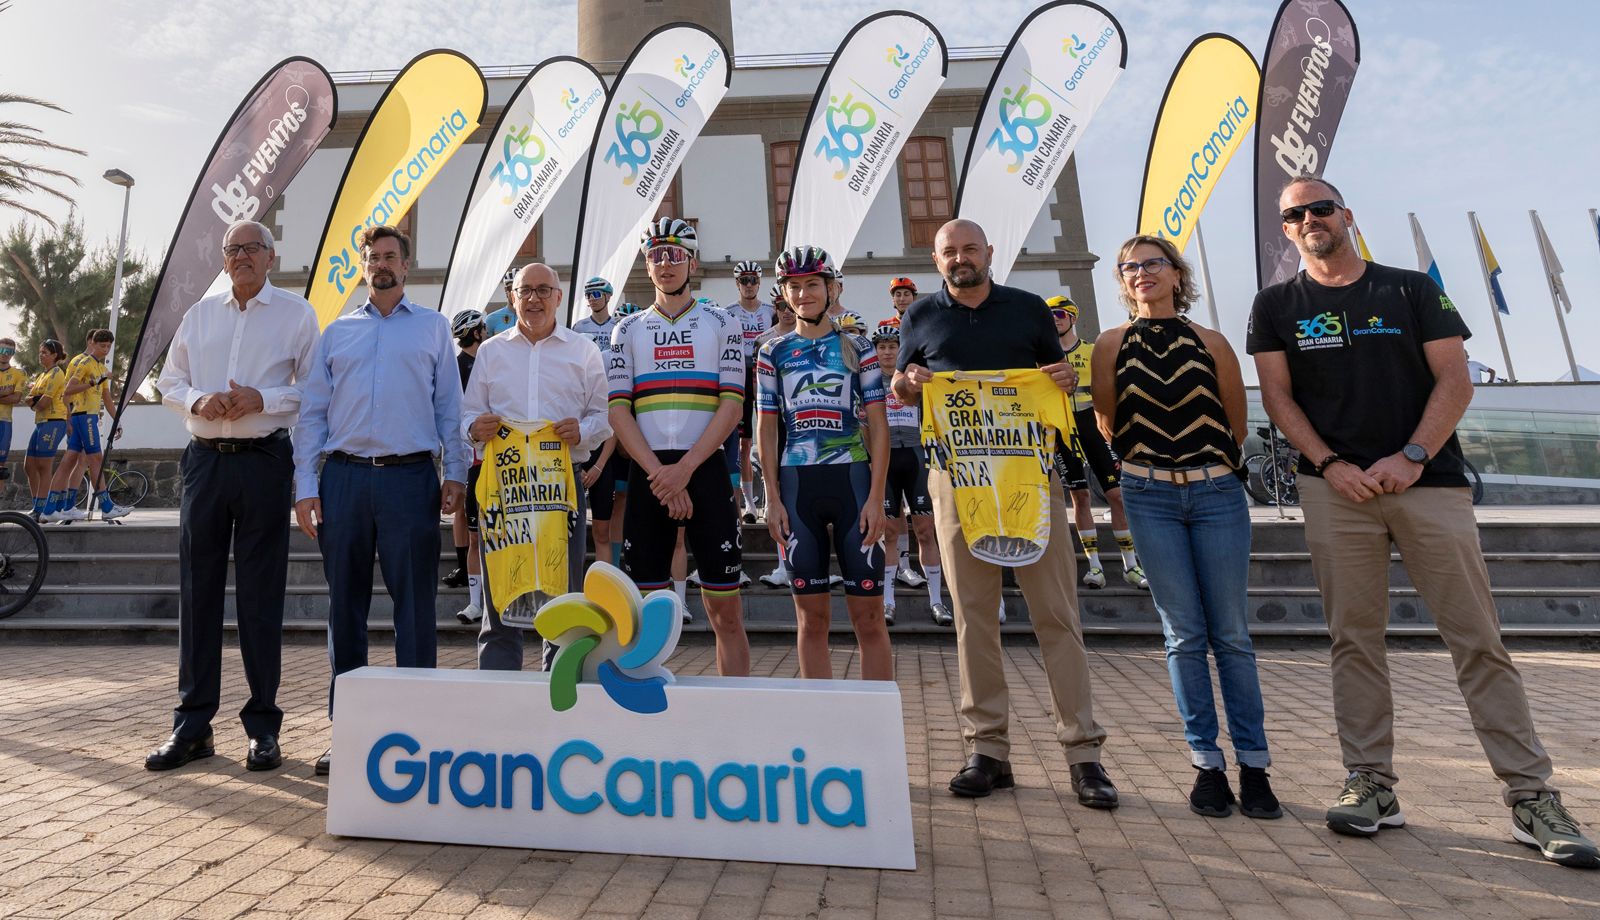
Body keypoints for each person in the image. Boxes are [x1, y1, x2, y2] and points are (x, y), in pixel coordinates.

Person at [1249, 176, 1596, 867]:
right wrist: (1329, 464)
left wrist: (1411, 457)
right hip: (1335, 492)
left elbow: (1455, 378)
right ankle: (1372, 784)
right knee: (1354, 641)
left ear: (1345, 215)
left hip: (1426, 484)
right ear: (1286, 230)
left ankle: (1531, 797)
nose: (1311, 219)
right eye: (1296, 214)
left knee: (1477, 640)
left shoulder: (1409, 289)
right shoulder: (1275, 304)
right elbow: (1278, 397)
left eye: (1321, 208)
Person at [893, 218, 1117, 807]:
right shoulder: (919, 315)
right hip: (955, 478)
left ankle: (1084, 754)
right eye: (949, 252)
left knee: (1056, 613)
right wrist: (909, 382)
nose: (960, 259)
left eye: (970, 249)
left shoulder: (1026, 309)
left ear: (989, 252)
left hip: (1028, 473)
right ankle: (987, 749)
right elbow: (901, 384)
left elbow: (1058, 379)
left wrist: (1066, 378)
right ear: (936, 259)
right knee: (973, 616)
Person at [1091, 235, 1279, 820]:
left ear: (1176, 274)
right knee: (1182, 635)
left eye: (1152, 264)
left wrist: (1209, 469)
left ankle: (1254, 765)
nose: (1141, 273)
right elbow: (1107, 421)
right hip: (1148, 496)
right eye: (1130, 268)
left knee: (1231, 635)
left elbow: (1234, 418)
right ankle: (1207, 765)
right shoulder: (1110, 344)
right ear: (1122, 282)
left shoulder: (1212, 341)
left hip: (1217, 491)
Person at [293, 224, 469, 777]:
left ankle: (416, 730)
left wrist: (457, 472)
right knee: (344, 608)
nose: (382, 264)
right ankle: (348, 732)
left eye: (391, 255)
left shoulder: (434, 329)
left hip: (409, 479)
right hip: (343, 481)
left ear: (406, 264)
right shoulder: (335, 333)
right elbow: (312, 414)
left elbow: (450, 410)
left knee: (414, 608)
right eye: (373, 257)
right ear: (363, 265)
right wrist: (305, 485)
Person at [145, 219, 320, 773]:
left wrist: (260, 399)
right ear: (224, 260)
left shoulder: (297, 314)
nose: (241, 256)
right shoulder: (198, 316)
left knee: (260, 597)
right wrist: (199, 401)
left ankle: (263, 729)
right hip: (203, 465)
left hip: (265, 462)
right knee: (197, 595)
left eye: (251, 248)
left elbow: (315, 392)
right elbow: (168, 381)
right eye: (232, 249)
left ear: (271, 257)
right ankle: (192, 727)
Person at [607, 217, 751, 676]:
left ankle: (739, 716)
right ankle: (645, 718)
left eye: (674, 255)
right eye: (655, 255)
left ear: (692, 262)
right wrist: (662, 476)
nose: (664, 264)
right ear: (646, 266)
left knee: (724, 613)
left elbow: (731, 408)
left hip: (703, 469)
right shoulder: (625, 329)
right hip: (650, 474)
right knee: (644, 615)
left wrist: (683, 471)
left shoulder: (722, 323)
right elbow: (617, 412)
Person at [463, 263, 611, 670]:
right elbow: (467, 415)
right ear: (512, 297)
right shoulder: (492, 352)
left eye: (544, 290)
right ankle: (498, 706)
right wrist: (474, 426)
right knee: (499, 603)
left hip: (561, 488)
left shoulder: (584, 351)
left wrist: (581, 431)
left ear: (559, 298)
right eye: (525, 290)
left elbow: (603, 418)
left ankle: (558, 703)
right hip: (503, 491)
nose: (533, 298)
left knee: (562, 597)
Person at [757, 245, 891, 680]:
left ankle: (875, 727)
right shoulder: (771, 352)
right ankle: (821, 724)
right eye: (793, 286)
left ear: (832, 288)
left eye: (812, 284)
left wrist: (877, 498)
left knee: (869, 621)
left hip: (854, 484)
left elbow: (879, 426)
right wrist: (771, 499)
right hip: (797, 490)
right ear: (783, 294)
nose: (803, 294)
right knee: (811, 621)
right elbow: (767, 428)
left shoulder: (859, 346)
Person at [1046, 295, 1149, 591]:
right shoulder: (1044, 358)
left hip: (1094, 425)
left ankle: (1131, 565)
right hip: (1064, 429)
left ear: (1073, 317)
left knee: (1117, 495)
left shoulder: (1093, 351)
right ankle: (1094, 566)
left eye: (1059, 314)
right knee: (1080, 497)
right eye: (1049, 315)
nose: (1054, 319)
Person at [870, 324, 947, 627]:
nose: (888, 352)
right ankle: (887, 602)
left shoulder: (913, 378)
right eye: (882, 347)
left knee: (926, 531)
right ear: (876, 351)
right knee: (889, 533)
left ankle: (937, 602)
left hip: (917, 455)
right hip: (886, 460)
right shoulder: (871, 381)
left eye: (893, 346)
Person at [41, 329, 129, 521]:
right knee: (96, 459)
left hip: (89, 416)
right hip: (83, 417)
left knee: (70, 460)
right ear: (92, 344)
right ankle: (106, 507)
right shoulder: (84, 362)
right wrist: (92, 383)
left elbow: (106, 398)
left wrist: (117, 420)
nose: (105, 349)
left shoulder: (100, 367)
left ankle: (49, 510)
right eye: (102, 345)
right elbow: (68, 389)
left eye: (108, 346)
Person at [572, 277, 622, 571]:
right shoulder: (578, 328)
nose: (591, 298)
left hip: (603, 449)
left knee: (602, 528)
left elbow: (612, 423)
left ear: (607, 297)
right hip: (577, 452)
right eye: (587, 293)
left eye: (596, 294)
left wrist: (599, 466)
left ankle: (608, 585)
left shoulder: (618, 327)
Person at [444, 309, 488, 624]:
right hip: (470, 458)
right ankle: (475, 602)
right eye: (483, 327)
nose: (487, 331)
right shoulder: (455, 366)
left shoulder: (493, 361)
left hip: (497, 459)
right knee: (473, 532)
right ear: (475, 332)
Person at [726, 260, 773, 521]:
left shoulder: (770, 311)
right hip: (739, 375)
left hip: (765, 374)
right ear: (737, 284)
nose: (749, 285)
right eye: (744, 280)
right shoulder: (728, 312)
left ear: (759, 282)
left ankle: (768, 499)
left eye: (753, 279)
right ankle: (749, 505)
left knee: (769, 437)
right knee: (744, 444)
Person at [24, 339, 69, 521]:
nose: (41, 355)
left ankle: (42, 509)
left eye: (45, 353)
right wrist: (34, 400)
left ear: (55, 356)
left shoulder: (57, 373)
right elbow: (31, 399)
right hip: (41, 421)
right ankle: (37, 505)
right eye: (40, 352)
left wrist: (34, 400)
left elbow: (42, 403)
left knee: (43, 465)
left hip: (54, 420)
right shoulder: (42, 375)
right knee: (29, 465)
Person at [0, 338, 28, 483]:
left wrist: (11, 394)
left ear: (13, 354)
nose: (5, 354)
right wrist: (7, 392)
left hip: (5, 422)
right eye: (2, 350)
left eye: (9, 351)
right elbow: (11, 396)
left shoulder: (19, 374)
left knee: (1, 468)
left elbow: (16, 398)